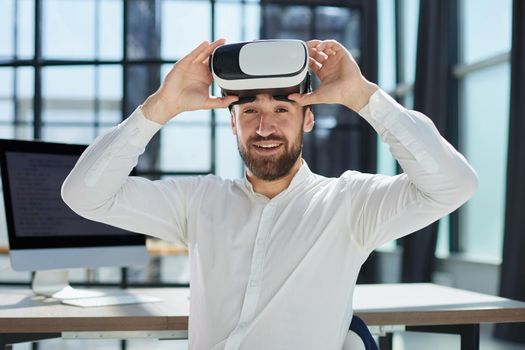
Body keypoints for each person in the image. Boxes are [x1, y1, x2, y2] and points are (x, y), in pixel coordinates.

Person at [62, 38, 478, 350]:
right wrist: (161, 106)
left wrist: (366, 99)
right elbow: (85, 195)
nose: (265, 128)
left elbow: (454, 184)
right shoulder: (199, 201)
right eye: (250, 112)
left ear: (308, 119)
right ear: (232, 124)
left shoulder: (350, 203)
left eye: (282, 110)